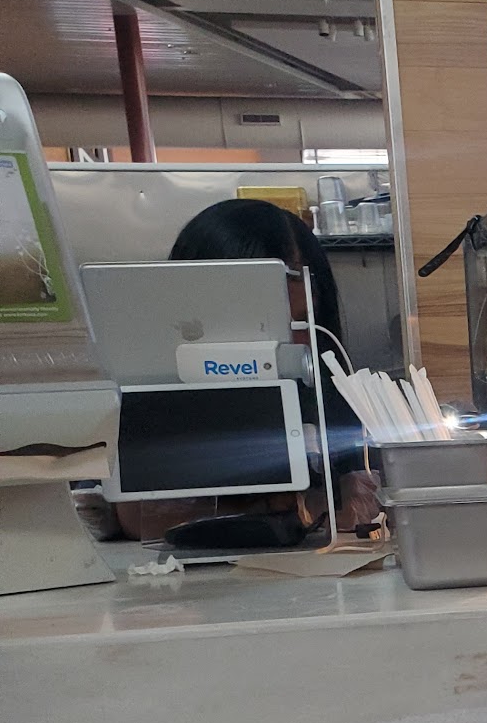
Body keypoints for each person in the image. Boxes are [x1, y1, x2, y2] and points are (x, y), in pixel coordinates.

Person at [92, 198, 377, 541]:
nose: (287, 342)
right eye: (267, 321)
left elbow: (357, 502)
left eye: (301, 320)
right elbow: (139, 518)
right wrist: (298, 508)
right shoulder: (143, 395)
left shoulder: (331, 392)